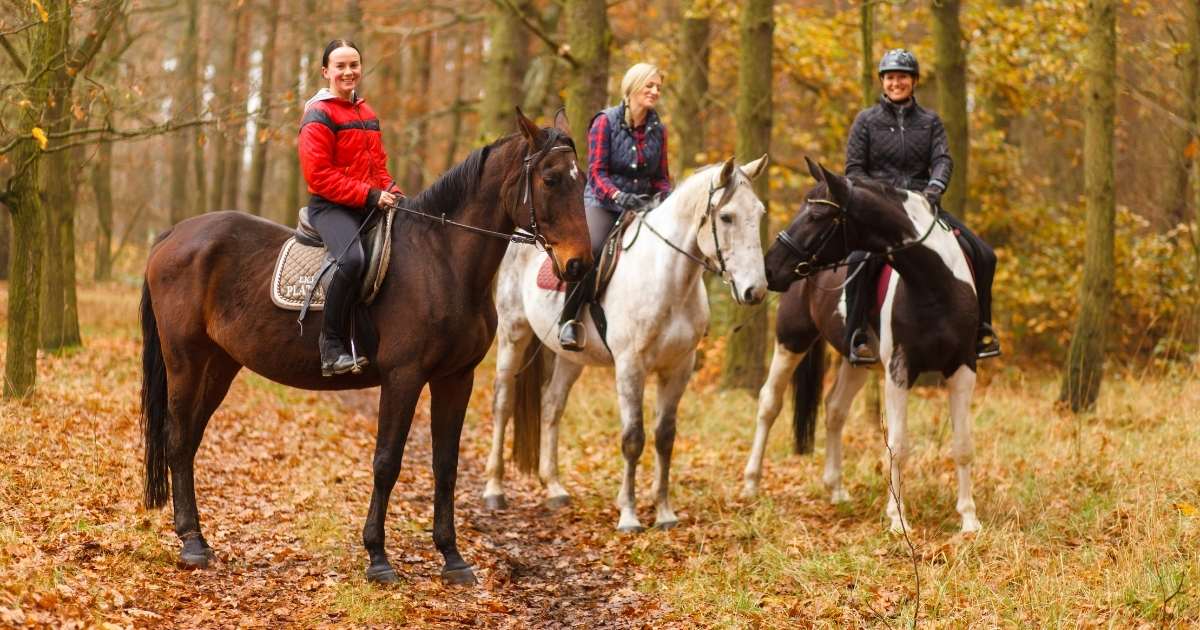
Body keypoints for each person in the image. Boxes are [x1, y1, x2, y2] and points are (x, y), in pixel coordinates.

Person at [842, 48, 1000, 365]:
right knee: (860, 258)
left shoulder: (930, 122)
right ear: (882, 82)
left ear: (914, 81)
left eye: (902, 77)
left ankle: (981, 328)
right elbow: (854, 170)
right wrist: (879, 196)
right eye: (889, 77)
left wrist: (934, 188)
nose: (895, 82)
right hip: (881, 210)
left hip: (923, 206)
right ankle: (856, 334)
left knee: (983, 254)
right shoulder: (865, 121)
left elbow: (942, 159)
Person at [299, 39, 403, 376]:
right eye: (340, 66)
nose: (348, 72)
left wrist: (394, 192)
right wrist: (371, 196)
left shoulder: (367, 113)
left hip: (366, 203)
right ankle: (330, 346)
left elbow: (379, 169)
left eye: (354, 65)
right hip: (330, 208)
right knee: (353, 259)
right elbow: (318, 176)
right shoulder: (319, 113)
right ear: (326, 71)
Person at [558, 63, 673, 351]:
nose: (655, 91)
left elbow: (661, 178)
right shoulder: (604, 122)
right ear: (632, 87)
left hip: (644, 207)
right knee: (590, 250)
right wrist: (618, 196)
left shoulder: (660, 130)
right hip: (604, 204)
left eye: (658, 87)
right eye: (649, 85)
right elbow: (596, 173)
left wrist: (664, 199)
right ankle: (568, 321)